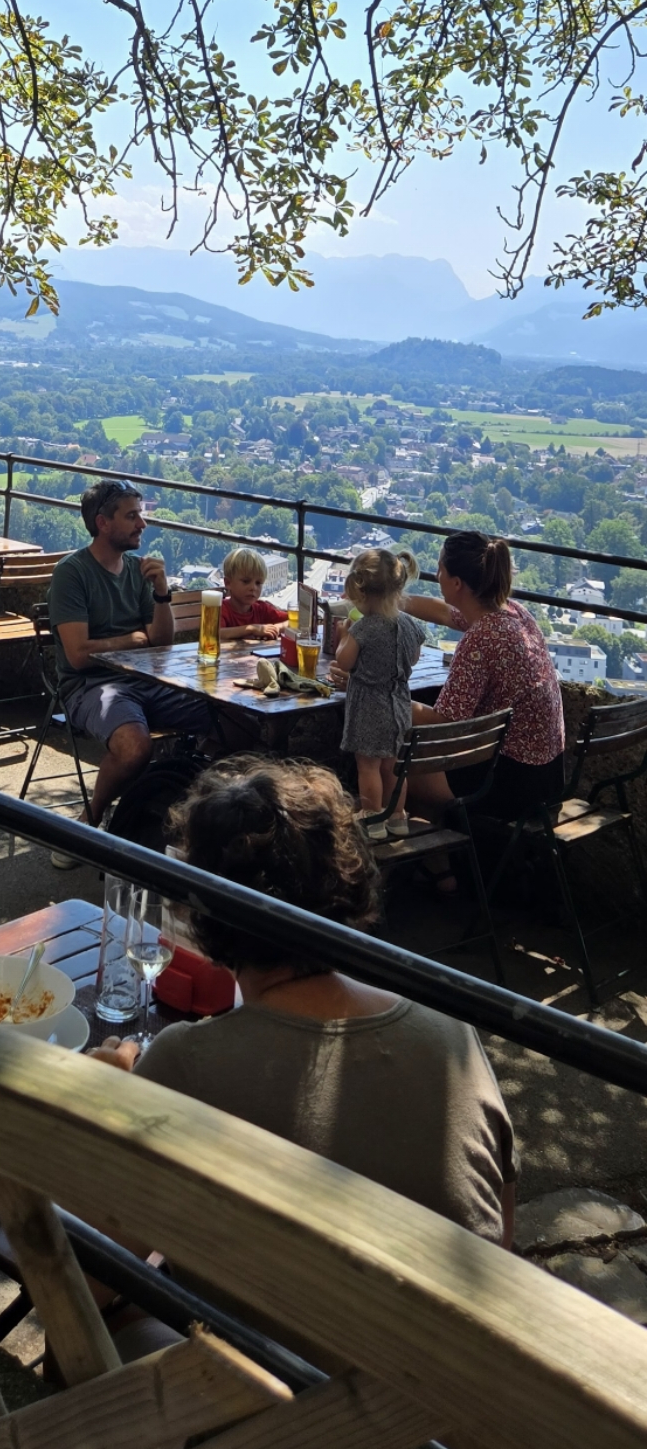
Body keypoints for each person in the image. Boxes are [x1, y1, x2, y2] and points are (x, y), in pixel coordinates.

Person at [93, 759, 516, 1249]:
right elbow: (503, 1231)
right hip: (456, 1300)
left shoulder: (186, 1062)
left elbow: (98, 1271)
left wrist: (100, 1108)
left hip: (264, 1302)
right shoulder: (452, 1036)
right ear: (349, 884)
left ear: (199, 912)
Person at [46, 478, 213, 864]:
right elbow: (79, 655)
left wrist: (162, 592)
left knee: (231, 719)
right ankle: (91, 821)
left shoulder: (140, 571)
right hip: (90, 688)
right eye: (132, 516)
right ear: (103, 523)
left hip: (146, 681)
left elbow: (162, 642)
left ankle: (191, 815)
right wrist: (136, 639)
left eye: (141, 515)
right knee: (135, 747)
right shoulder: (72, 573)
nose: (143, 524)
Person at [402, 531, 565, 829]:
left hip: (511, 784)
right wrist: (392, 601)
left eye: (440, 569)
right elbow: (445, 614)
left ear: (456, 583)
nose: (436, 576)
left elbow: (445, 722)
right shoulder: (513, 613)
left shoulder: (480, 638)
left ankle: (443, 856)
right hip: (548, 776)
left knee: (395, 767)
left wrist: (385, 696)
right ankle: (445, 851)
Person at [334, 548, 425, 839]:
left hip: (369, 707)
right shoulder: (409, 624)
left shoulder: (363, 628)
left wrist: (345, 635)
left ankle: (372, 818)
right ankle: (397, 816)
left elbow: (344, 662)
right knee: (392, 766)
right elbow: (414, 658)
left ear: (359, 591)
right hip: (399, 705)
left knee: (368, 765)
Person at [219, 549, 291, 633]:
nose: (253, 587)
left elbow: (295, 621)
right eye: (246, 581)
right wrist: (252, 629)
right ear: (228, 583)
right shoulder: (220, 609)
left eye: (258, 583)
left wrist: (277, 628)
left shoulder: (262, 609)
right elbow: (217, 633)